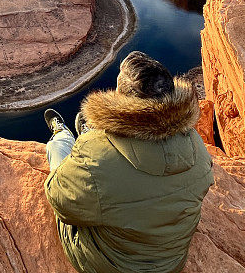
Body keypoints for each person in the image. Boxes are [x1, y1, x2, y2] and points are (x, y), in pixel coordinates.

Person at [44, 51, 214, 273]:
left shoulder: (96, 155)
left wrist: (88, 148)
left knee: (59, 149)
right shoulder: (195, 142)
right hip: (172, 263)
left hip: (112, 264)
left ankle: (63, 133)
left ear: (122, 99)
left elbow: (62, 203)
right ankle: (87, 131)